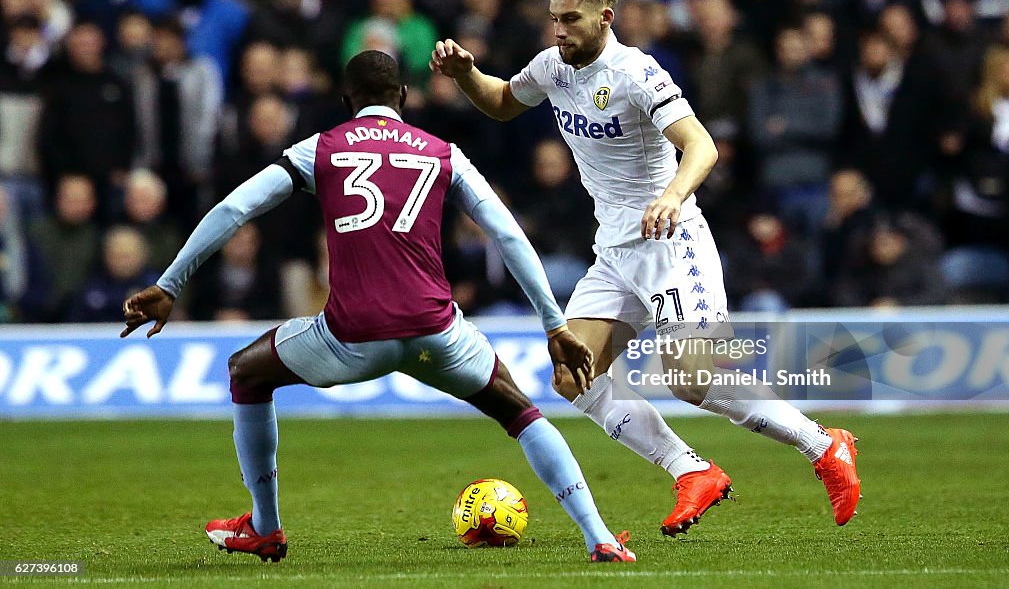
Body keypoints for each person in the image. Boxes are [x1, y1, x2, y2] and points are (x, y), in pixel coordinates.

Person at [120, 50, 635, 564]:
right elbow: (506, 233)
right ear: (404, 97)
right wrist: (554, 323)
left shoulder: (320, 149)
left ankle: (265, 526)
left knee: (247, 373)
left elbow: (236, 207)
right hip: (438, 333)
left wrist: (170, 283)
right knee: (520, 413)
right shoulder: (443, 153)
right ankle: (599, 536)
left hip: (350, 338)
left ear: (348, 102)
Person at [430, 0, 861, 535]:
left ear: (605, 16)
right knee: (570, 374)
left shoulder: (636, 72)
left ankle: (823, 444)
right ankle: (691, 469)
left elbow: (701, 145)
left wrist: (672, 196)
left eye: (571, 19)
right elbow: (505, 100)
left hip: (670, 242)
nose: (559, 31)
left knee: (692, 379)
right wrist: (466, 75)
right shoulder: (552, 68)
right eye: (553, 19)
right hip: (614, 252)